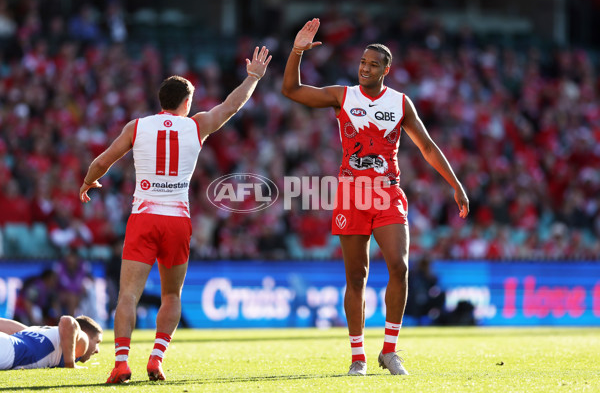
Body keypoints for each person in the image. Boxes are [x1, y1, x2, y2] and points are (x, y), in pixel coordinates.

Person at [281, 19, 469, 376]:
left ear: (387, 69)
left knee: (399, 266)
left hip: (387, 194)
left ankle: (390, 351)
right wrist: (297, 52)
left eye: (372, 64)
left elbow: (427, 147)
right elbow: (291, 89)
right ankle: (357, 357)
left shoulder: (400, 103)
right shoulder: (342, 95)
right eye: (362, 63)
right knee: (357, 277)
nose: (364, 68)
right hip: (352, 194)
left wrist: (454, 182)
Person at [79, 46, 271, 383]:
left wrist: (88, 181)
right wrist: (253, 77)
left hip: (144, 216)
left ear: (161, 100)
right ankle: (156, 358)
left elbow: (103, 161)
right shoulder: (196, 126)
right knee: (171, 295)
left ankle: (122, 363)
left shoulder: (137, 127)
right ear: (187, 102)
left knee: (127, 295)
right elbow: (232, 105)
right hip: (177, 220)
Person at [0, 315, 103, 370]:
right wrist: (70, 364)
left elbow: (3, 323)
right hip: (8, 351)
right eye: (97, 342)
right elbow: (67, 320)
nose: (97, 350)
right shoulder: (83, 340)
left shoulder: (36, 330)